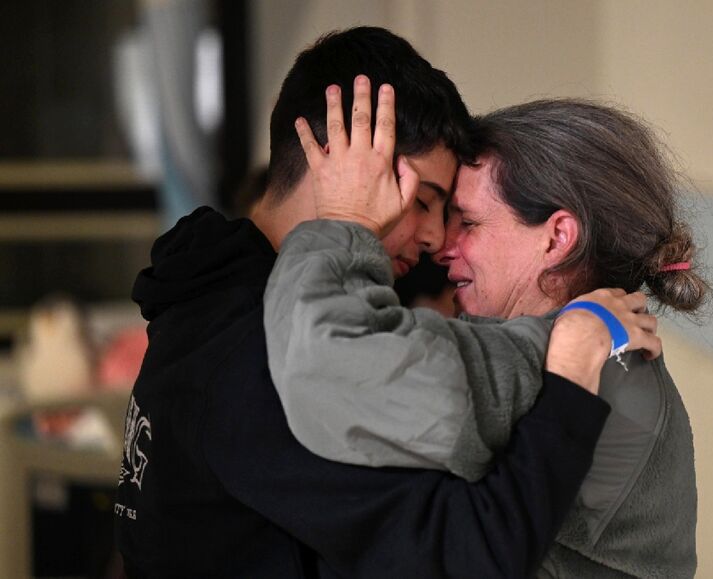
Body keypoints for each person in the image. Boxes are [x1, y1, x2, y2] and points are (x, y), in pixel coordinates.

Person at [115, 27, 659, 578]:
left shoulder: (207, 292)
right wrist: (568, 377)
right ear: (342, 162)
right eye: (424, 201)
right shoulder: (268, 354)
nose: (435, 239)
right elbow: (465, 556)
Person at [266, 98, 711, 577]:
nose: (442, 246)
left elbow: (327, 359)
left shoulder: (557, 355)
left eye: (469, 223)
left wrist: (343, 218)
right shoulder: (614, 357)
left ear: (557, 238)